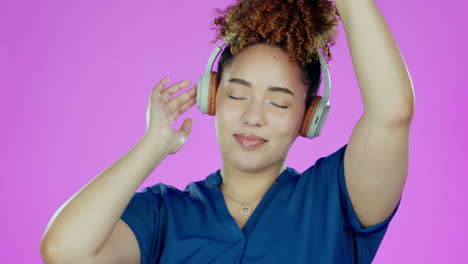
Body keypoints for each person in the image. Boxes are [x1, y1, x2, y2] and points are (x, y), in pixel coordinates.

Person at [40, 0, 414, 263]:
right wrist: (152, 145)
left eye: (279, 103)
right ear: (212, 96)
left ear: (309, 115)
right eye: (238, 95)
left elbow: (392, 113)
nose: (253, 117)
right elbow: (65, 251)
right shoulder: (163, 215)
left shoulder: (337, 198)